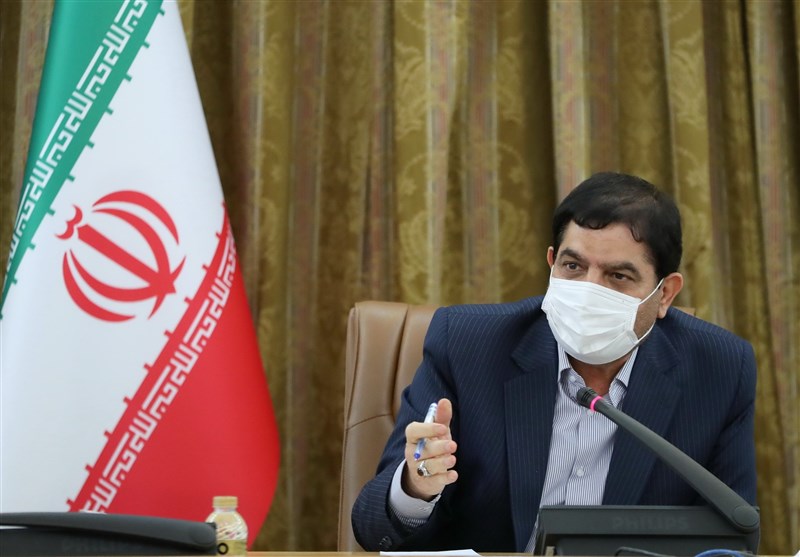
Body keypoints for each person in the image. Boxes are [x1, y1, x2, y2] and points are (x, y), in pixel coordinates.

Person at [351, 172, 757, 552]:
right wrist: (417, 487)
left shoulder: (719, 370)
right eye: (573, 266)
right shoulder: (466, 346)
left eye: (618, 276)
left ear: (665, 294)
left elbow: (731, 538)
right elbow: (372, 527)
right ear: (551, 263)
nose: (588, 291)